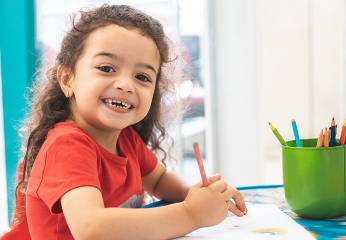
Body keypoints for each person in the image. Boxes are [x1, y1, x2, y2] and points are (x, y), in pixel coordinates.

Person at [1, 4, 247, 240]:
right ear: (67, 79)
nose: (126, 84)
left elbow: (160, 181)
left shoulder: (127, 140)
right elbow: (91, 228)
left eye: (142, 76)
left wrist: (203, 196)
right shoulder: (67, 145)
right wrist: (191, 214)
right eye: (107, 68)